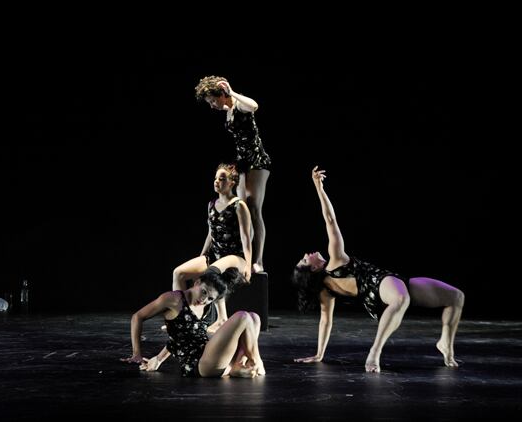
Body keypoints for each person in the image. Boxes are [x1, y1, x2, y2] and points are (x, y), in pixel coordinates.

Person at [292, 166, 465, 373]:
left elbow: (325, 322)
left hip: (390, 286)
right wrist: (319, 188)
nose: (307, 253)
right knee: (401, 298)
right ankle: (374, 352)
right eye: (305, 260)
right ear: (312, 269)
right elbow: (330, 219)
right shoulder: (335, 262)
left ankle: (446, 344)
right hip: (380, 284)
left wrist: (320, 354)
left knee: (456, 297)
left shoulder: (327, 287)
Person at [121, 267, 265, 378]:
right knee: (242, 316)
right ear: (197, 283)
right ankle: (256, 362)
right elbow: (137, 317)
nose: (204, 300)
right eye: (204, 292)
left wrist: (159, 359)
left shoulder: (207, 306)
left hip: (216, 359)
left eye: (210, 299)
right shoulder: (174, 299)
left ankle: (237, 366)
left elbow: (179, 338)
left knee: (254, 318)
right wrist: (137, 354)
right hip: (199, 364)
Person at [195, 76, 271, 274]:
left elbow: (254, 106)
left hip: (257, 161)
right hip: (242, 163)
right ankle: (244, 257)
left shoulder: (239, 104)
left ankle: (258, 260)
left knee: (254, 209)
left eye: (213, 100)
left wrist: (232, 92)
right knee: (243, 210)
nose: (212, 106)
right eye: (209, 103)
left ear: (222, 94)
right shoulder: (228, 111)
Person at [171, 163, 252, 332]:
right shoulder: (211, 204)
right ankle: (183, 318)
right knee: (178, 273)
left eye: (221, 179)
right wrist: (202, 255)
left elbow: (246, 237)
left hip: (234, 257)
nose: (216, 181)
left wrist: (248, 265)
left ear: (231, 182)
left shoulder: (239, 205)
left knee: (211, 273)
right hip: (214, 255)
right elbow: (211, 233)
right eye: (215, 178)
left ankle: (222, 318)